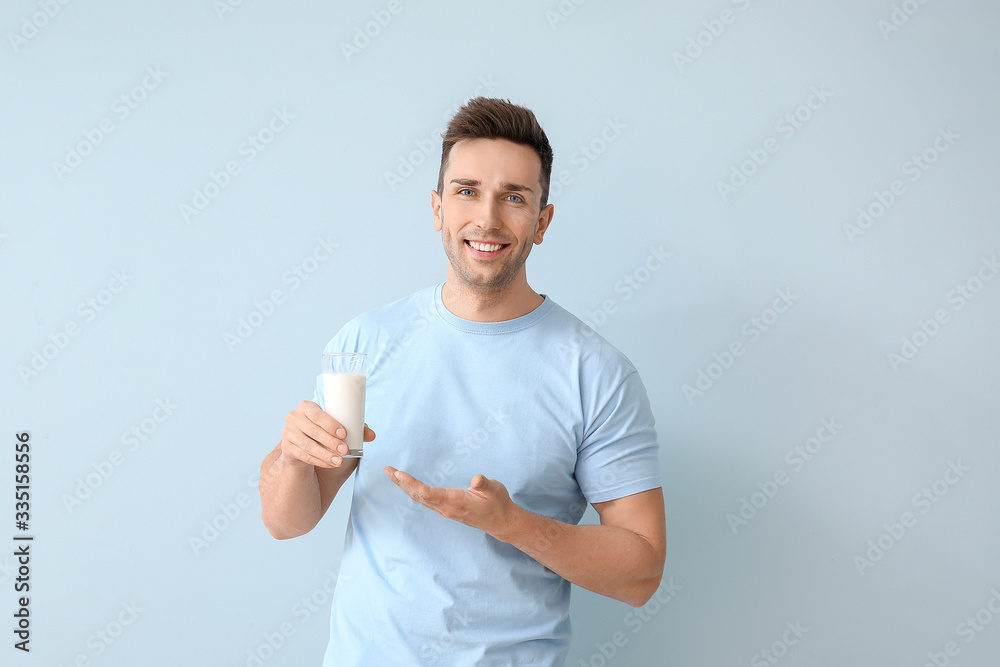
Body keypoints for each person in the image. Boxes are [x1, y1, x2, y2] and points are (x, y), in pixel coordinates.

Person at [259, 97, 666, 666]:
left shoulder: (596, 374)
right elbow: (287, 522)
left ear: (543, 222)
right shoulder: (364, 345)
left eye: (515, 197)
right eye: (467, 190)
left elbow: (641, 570)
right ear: (437, 208)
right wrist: (293, 457)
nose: (488, 219)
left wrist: (511, 524)